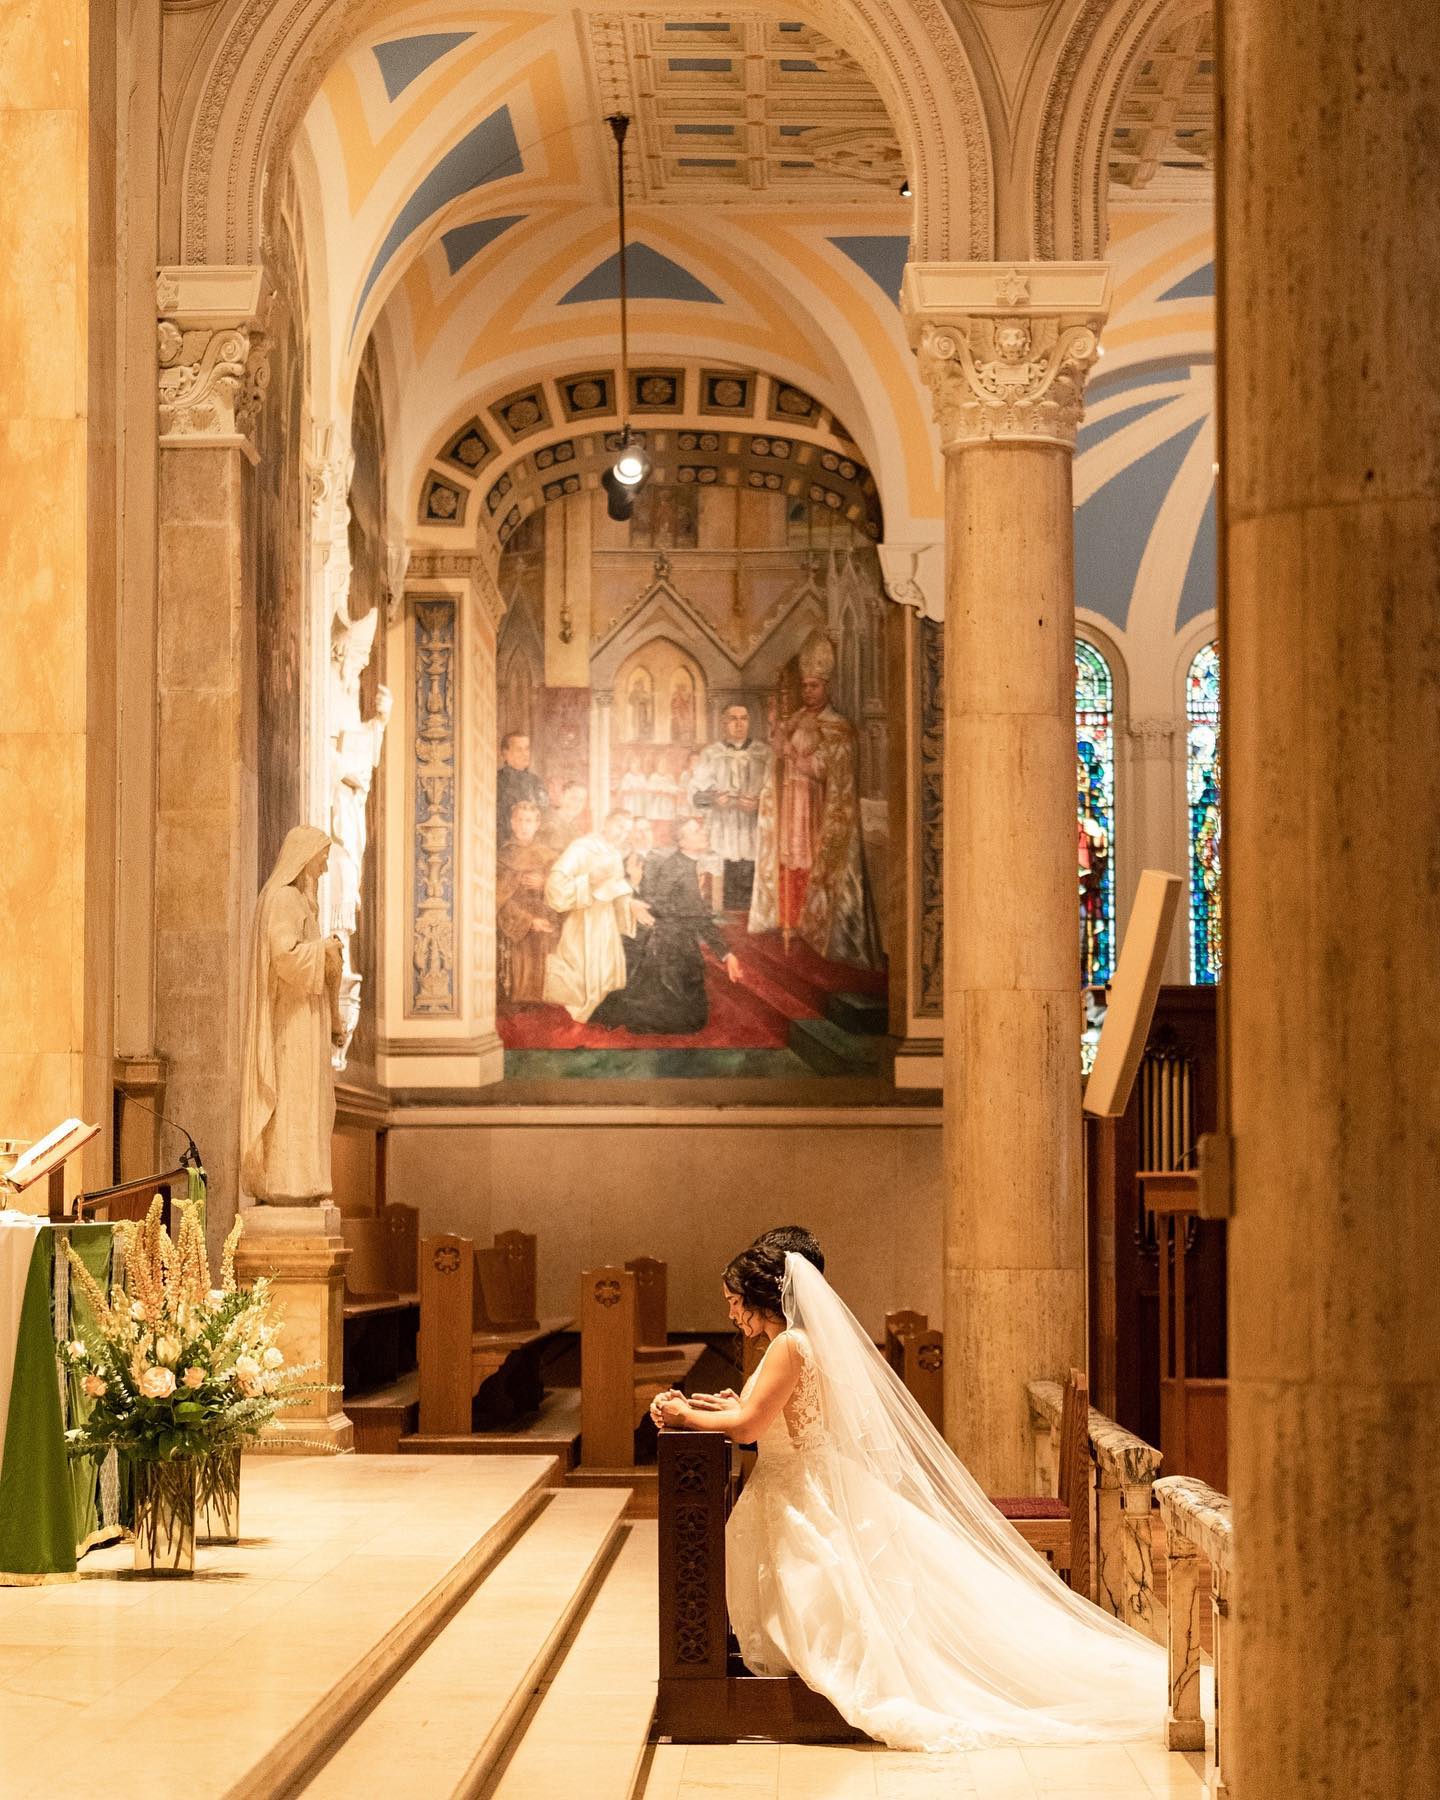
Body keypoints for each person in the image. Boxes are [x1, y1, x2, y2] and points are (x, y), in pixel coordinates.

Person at [655, 1243, 1165, 1752]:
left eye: (731, 1299)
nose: (728, 1311)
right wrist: (723, 1405)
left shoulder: (788, 1345)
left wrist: (684, 1416)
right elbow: (768, 1414)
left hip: (801, 1489)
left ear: (757, 1296)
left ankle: (812, 1696)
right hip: (806, 1479)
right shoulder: (797, 1342)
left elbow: (750, 1427)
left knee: (827, 1594)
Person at [748, 631, 880, 967]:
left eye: (815, 686)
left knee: (808, 859)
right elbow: (778, 750)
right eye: (805, 686)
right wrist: (778, 727)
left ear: (827, 688)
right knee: (789, 858)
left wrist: (793, 754)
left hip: (816, 806)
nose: (808, 692)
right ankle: (790, 920)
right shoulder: (800, 719)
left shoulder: (838, 727)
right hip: (791, 801)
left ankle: (814, 926)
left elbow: (825, 770)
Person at [240, 826, 346, 1202]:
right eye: (323, 857)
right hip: (292, 1017)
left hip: (308, 1014)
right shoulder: (284, 898)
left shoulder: (301, 901)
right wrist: (325, 952)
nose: (326, 866)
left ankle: (304, 1180)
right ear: (304, 857)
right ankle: (287, 1181)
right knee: (295, 1095)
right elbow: (283, 956)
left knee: (309, 1096)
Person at [592, 818, 740, 1035]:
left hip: (675, 936)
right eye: (695, 831)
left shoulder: (684, 862)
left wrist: (725, 953)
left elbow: (690, 911)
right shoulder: (677, 866)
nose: (703, 833)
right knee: (688, 1020)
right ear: (682, 841)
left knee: (691, 1017)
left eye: (700, 829)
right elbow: (687, 911)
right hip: (669, 944)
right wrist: (725, 953)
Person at [542, 810, 654, 1022]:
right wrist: (588, 879)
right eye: (620, 827)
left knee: (605, 975)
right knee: (581, 973)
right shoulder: (582, 847)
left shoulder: (613, 854)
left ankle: (598, 1013)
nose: (623, 834)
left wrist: (630, 903)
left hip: (605, 921)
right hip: (582, 919)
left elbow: (615, 889)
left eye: (627, 831)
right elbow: (554, 886)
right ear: (607, 823)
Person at [692, 702, 770, 911]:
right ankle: (724, 905)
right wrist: (714, 798)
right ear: (724, 722)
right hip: (722, 821)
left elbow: (776, 791)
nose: (739, 724)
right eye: (733, 719)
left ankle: (750, 906)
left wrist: (759, 803)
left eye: (743, 718)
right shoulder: (710, 753)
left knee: (750, 855)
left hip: (753, 820)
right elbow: (695, 796)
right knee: (724, 858)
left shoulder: (764, 752)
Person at [496, 801, 558, 1004]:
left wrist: (545, 884)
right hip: (514, 930)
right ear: (512, 823)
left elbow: (562, 893)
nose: (524, 825)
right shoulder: (501, 857)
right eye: (520, 820)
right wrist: (529, 921)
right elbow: (498, 899)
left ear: (537, 824)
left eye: (529, 821)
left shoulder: (549, 856)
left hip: (545, 928)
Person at [496, 734, 548, 843]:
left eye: (527, 749)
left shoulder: (536, 782)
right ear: (505, 754)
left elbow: (544, 814)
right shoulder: (496, 781)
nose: (525, 754)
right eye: (519, 750)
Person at [539, 780, 589, 852]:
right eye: (573, 798)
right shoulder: (547, 824)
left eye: (581, 800)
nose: (577, 804)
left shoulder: (575, 829)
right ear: (561, 797)